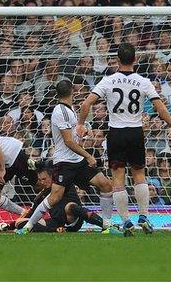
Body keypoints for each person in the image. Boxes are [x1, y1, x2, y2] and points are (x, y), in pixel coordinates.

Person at [78, 43, 171, 235]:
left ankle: (126, 220)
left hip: (116, 133)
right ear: (135, 59)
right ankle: (143, 216)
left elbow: (86, 104)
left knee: (118, 178)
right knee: (139, 175)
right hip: (136, 132)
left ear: (117, 59)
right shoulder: (143, 81)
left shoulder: (108, 81)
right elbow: (159, 107)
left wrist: (80, 124)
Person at [16, 80, 115, 235]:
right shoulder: (60, 111)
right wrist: (88, 156)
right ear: (72, 92)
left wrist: (84, 131)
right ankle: (28, 226)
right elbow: (68, 141)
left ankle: (107, 227)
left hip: (77, 160)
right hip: (65, 162)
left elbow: (73, 135)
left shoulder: (70, 110)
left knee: (106, 185)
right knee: (55, 197)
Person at [0, 166, 121, 234]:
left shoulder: (64, 184)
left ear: (53, 177)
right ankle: (57, 230)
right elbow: (31, 213)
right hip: (56, 222)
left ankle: (106, 226)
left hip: (73, 219)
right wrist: (10, 225)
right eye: (40, 180)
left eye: (44, 179)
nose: (42, 182)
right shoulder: (41, 195)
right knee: (21, 223)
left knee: (70, 207)